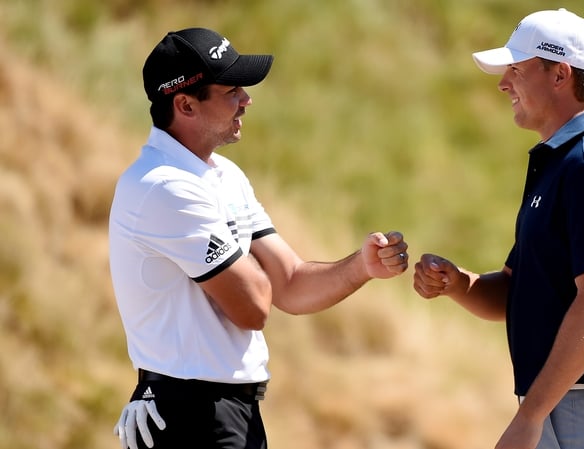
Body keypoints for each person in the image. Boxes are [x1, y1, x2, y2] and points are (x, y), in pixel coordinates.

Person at [108, 27, 409, 449]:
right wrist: (252, 274)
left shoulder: (222, 176)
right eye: (231, 90)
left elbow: (288, 283)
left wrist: (361, 267)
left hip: (226, 412)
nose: (246, 100)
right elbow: (253, 307)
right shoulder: (164, 187)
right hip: (189, 416)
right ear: (185, 104)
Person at [413, 9, 584, 449]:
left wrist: (531, 414)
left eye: (517, 70)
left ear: (560, 75)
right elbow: (515, 290)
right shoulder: (561, 164)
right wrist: (456, 283)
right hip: (570, 403)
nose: (503, 83)